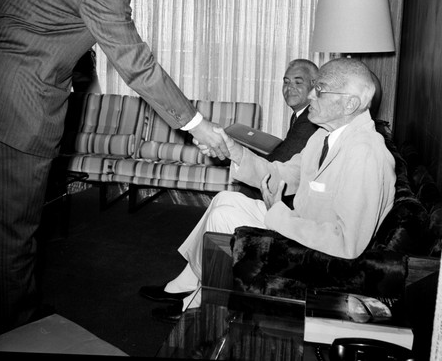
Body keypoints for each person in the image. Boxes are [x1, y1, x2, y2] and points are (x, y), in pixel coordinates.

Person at [0, 0, 230, 338]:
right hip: (21, 113)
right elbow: (137, 65)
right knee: (14, 236)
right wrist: (195, 125)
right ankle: (13, 332)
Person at [139, 58, 396, 323]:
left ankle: (201, 300)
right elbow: (283, 174)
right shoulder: (324, 137)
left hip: (315, 254)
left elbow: (346, 243)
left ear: (350, 104)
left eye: (319, 89)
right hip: (298, 224)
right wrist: (233, 151)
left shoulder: (365, 154)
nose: (310, 95)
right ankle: (197, 288)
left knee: (223, 218)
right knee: (226, 199)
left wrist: (277, 213)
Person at [238, 58, 319, 200]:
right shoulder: (301, 114)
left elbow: (280, 162)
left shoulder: (309, 121)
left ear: (314, 86)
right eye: (286, 82)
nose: (290, 88)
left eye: (298, 82)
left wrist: (239, 154)